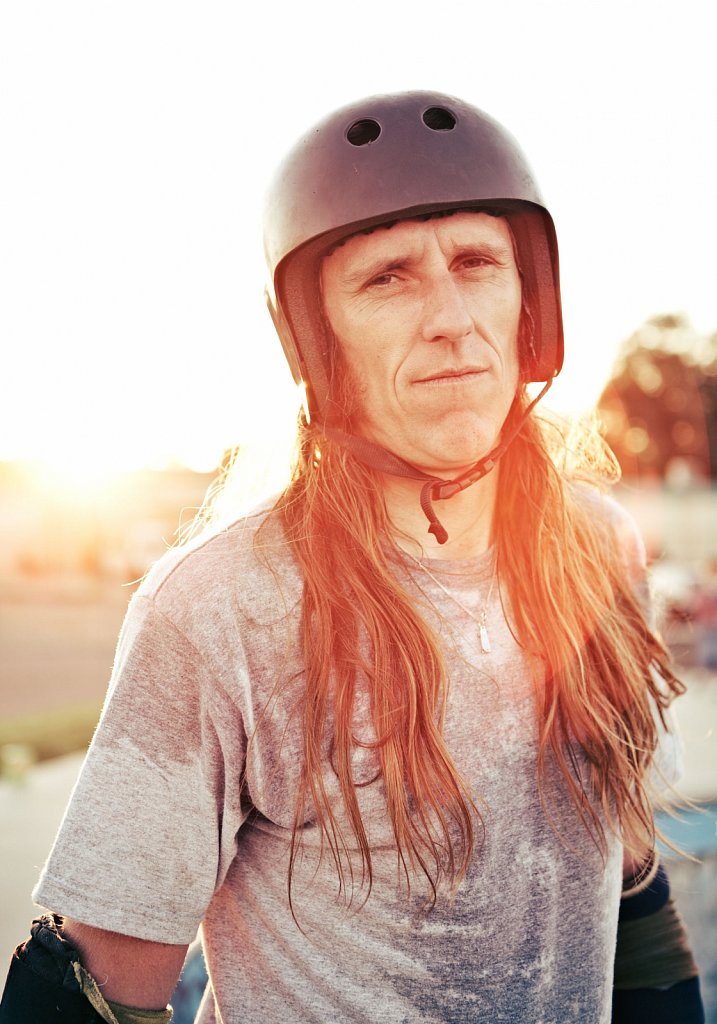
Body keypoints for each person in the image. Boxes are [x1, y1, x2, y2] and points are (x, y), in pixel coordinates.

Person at [0, 91, 705, 1023]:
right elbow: (90, 996)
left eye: (475, 263)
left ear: (528, 297)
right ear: (312, 335)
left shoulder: (597, 547)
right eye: (388, 278)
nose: (452, 317)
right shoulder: (218, 607)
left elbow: (620, 870)